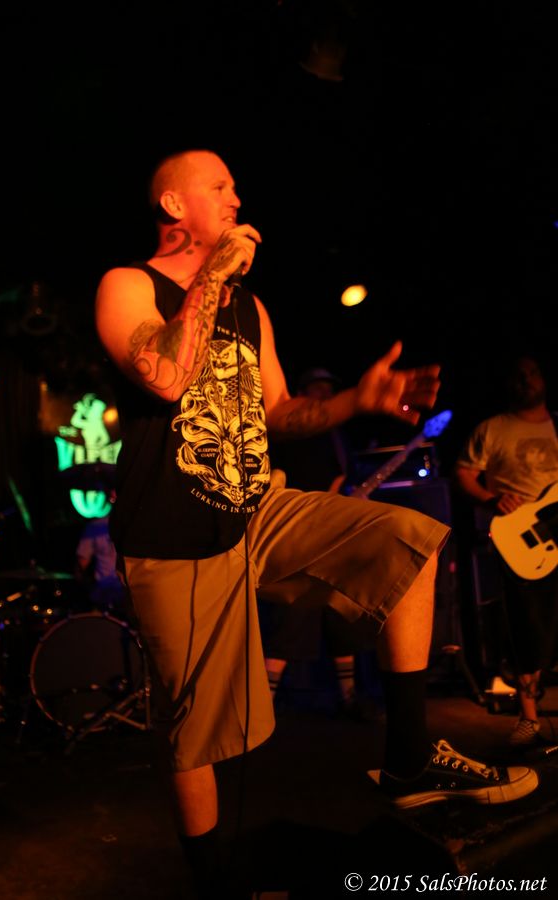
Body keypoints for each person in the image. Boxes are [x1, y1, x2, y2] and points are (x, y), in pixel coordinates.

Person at [95, 149, 538, 898]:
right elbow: (165, 378)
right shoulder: (127, 285)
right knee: (196, 730)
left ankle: (407, 760)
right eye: (219, 186)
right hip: (172, 530)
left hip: (257, 506)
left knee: (408, 542)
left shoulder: (251, 306)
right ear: (173, 205)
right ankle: (214, 882)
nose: (237, 198)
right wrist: (210, 278)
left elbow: (279, 412)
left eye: (236, 187)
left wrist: (356, 402)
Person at [261, 366, 380, 718]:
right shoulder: (289, 432)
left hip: (331, 530)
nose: (325, 395)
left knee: (340, 612)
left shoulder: (336, 436)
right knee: (292, 617)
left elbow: (340, 477)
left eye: (329, 389)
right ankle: (262, 705)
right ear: (301, 393)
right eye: (317, 388)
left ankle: (349, 697)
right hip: (296, 528)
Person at [454, 352, 558, 748]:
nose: (526, 380)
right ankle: (529, 719)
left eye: (532, 373)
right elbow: (464, 473)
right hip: (520, 540)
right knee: (526, 626)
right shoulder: (492, 429)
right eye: (519, 375)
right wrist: (489, 498)